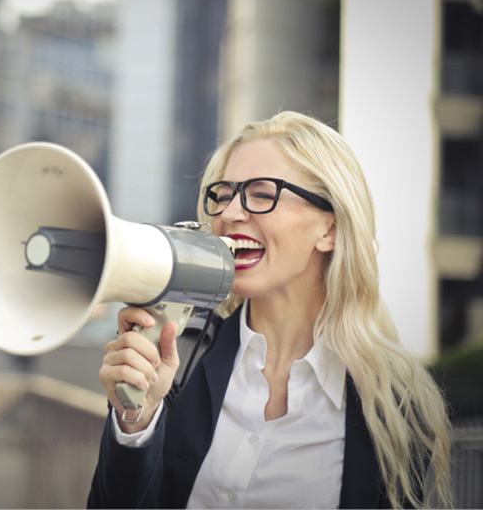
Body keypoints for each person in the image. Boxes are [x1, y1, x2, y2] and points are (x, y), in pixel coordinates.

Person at [88, 111, 452, 509]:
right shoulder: (179, 358)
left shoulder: (394, 410)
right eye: (223, 196)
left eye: (262, 194)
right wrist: (135, 421)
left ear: (328, 230)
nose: (228, 215)